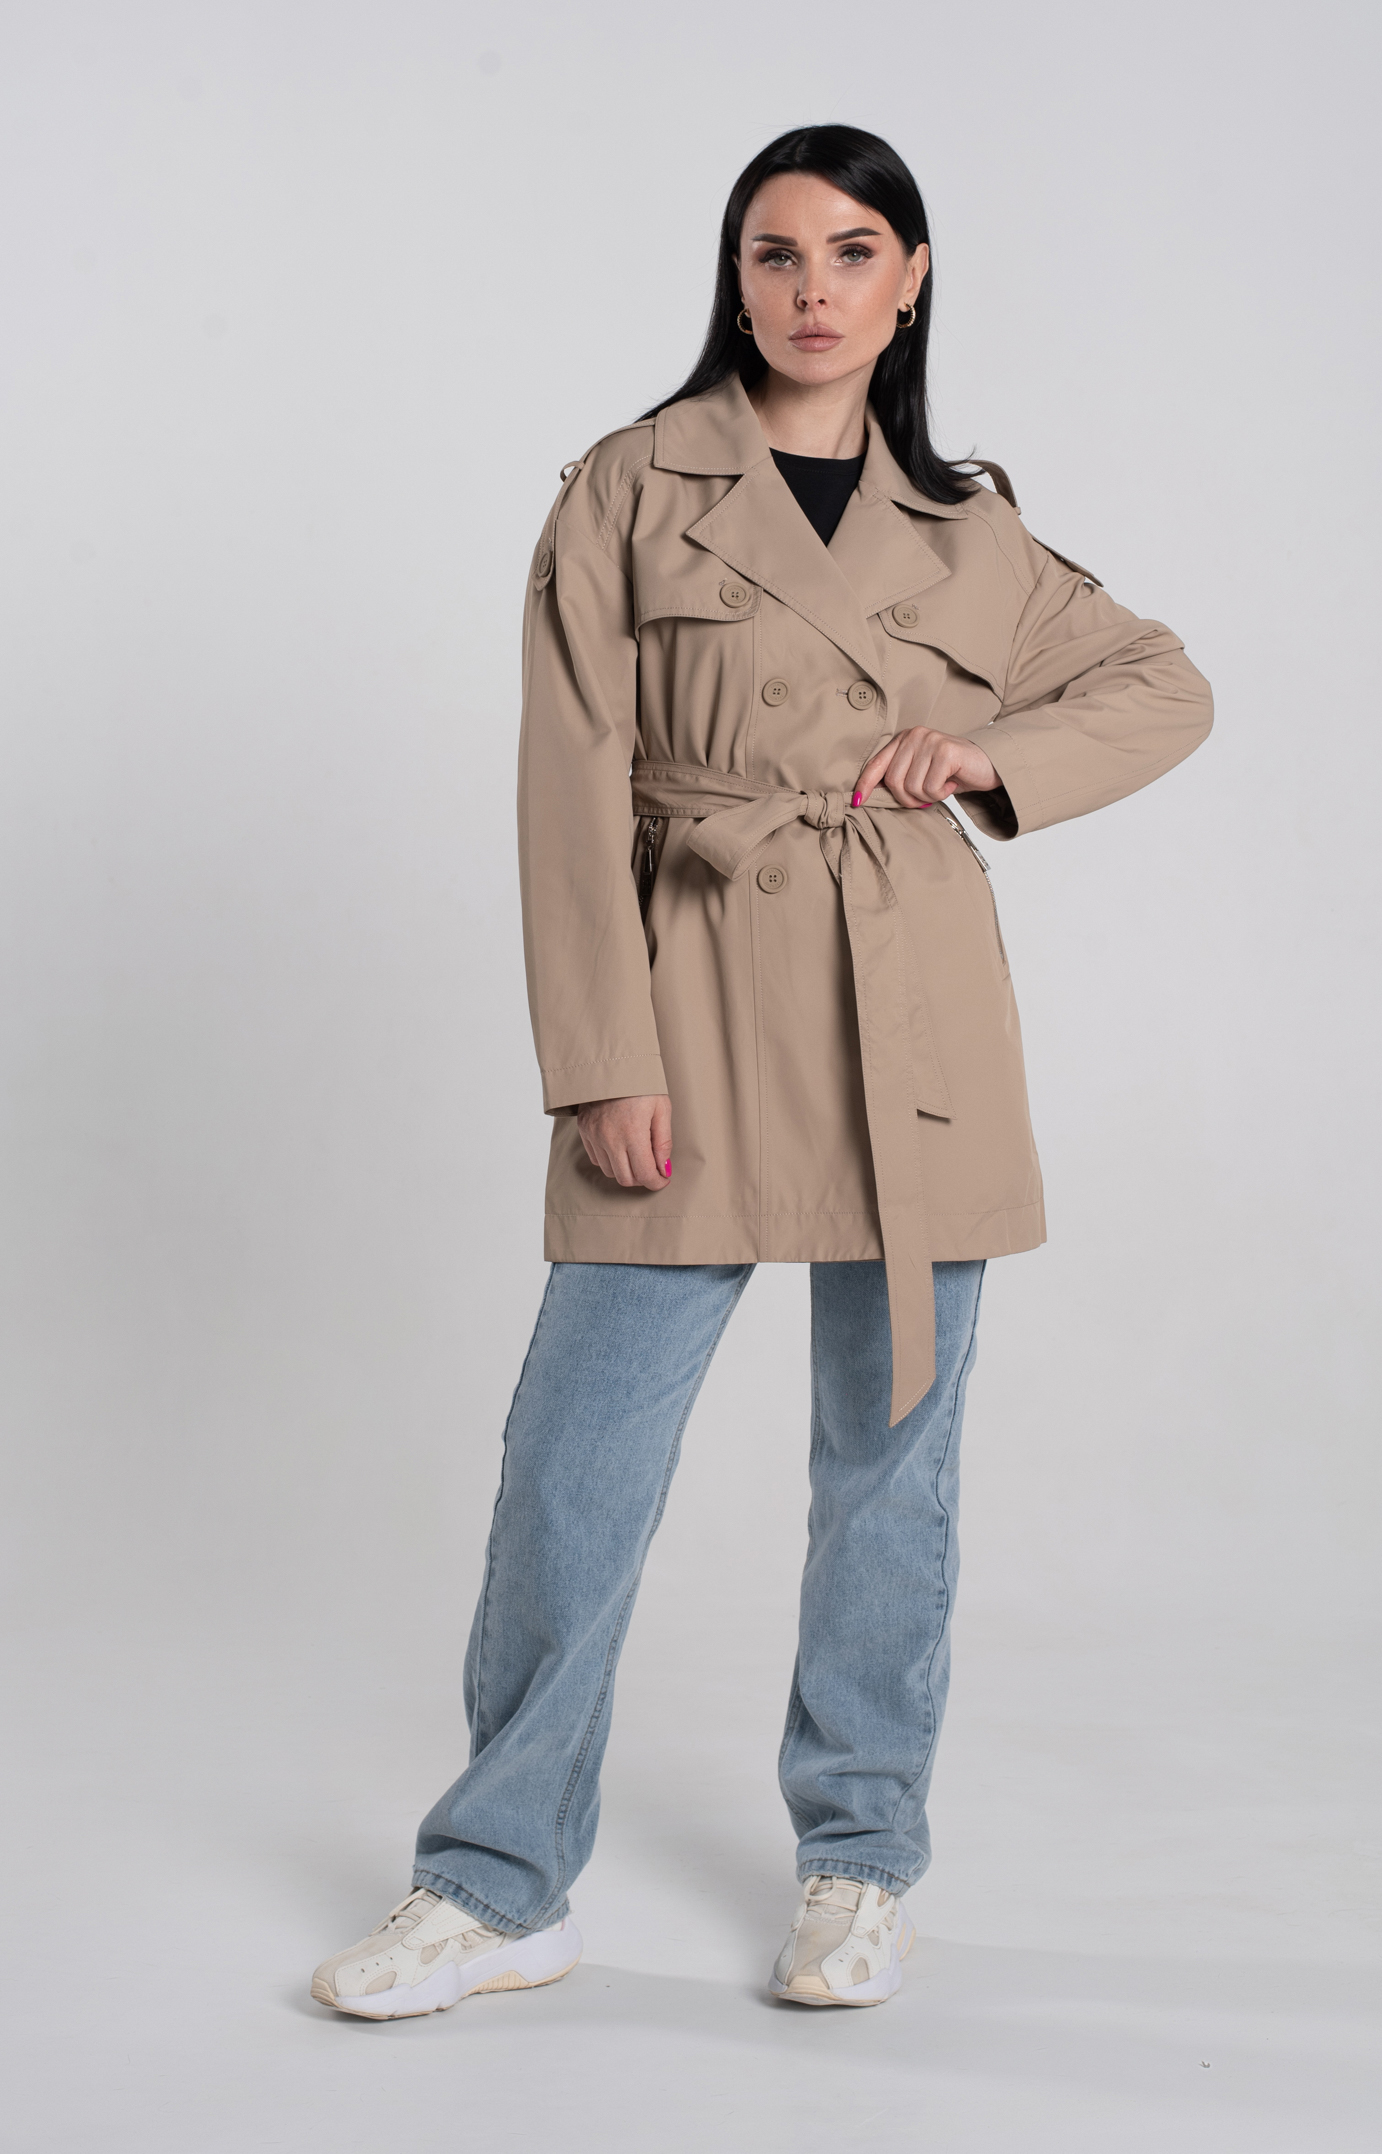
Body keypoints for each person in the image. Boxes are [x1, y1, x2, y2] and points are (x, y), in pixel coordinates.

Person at [311, 123, 1213, 2019]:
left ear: (909, 282)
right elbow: (568, 784)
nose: (811, 289)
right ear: (734, 279)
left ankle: (860, 1862)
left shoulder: (970, 527)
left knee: (891, 1473)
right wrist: (600, 1059)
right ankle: (497, 1883)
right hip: (691, 994)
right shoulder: (630, 486)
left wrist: (984, 758)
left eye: (851, 251)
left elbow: (1160, 683)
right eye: (774, 253)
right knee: (575, 1466)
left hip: (911, 1015)